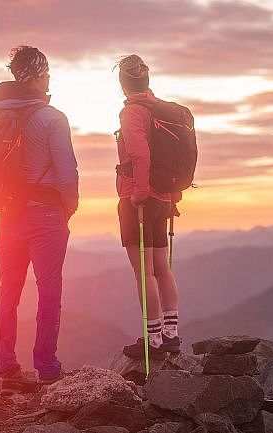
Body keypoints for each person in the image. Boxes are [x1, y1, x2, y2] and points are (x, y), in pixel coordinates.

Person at [0, 46, 79, 393]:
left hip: (7, 214)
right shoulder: (52, 117)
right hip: (45, 213)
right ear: (41, 76)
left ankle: (5, 366)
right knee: (49, 289)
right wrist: (67, 209)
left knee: (8, 291)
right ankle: (46, 367)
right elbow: (67, 172)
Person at [114, 54, 181, 360]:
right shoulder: (163, 112)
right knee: (162, 268)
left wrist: (139, 193)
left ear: (123, 84)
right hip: (165, 199)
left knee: (144, 272)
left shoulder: (132, 113)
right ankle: (171, 334)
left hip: (139, 200)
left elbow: (139, 155)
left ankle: (152, 340)